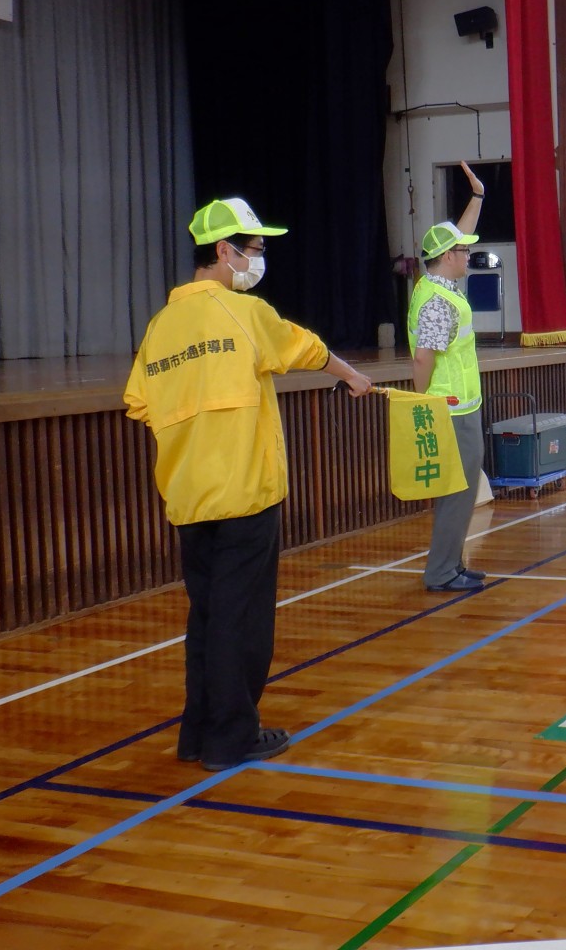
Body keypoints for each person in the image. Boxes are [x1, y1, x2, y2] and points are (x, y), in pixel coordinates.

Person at [124, 198, 374, 772]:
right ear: (223, 250)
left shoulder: (160, 327)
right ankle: (231, 738)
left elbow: (138, 402)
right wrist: (353, 376)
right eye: (255, 249)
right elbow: (307, 348)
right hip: (244, 492)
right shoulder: (244, 312)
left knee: (207, 617)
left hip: (187, 497)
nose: (259, 259)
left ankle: (197, 733)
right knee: (242, 622)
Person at [411, 162, 489, 592]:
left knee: (461, 490)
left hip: (461, 406)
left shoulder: (440, 287)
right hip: (450, 408)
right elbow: (423, 358)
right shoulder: (438, 302)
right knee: (457, 493)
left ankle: (452, 564)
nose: (467, 254)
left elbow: (459, 234)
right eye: (462, 251)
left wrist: (477, 196)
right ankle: (442, 571)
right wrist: (423, 400)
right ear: (446, 257)